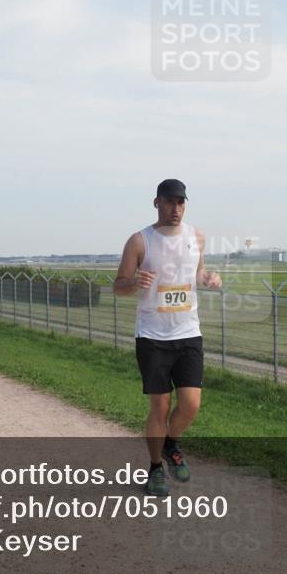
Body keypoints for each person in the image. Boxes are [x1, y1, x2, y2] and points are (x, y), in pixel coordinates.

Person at [113, 179, 221, 496]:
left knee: (190, 405)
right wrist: (134, 284)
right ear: (156, 202)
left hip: (188, 332)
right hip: (152, 337)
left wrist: (209, 277)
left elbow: (197, 274)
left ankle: (170, 445)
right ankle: (156, 470)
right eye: (170, 202)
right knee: (160, 408)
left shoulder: (196, 237)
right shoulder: (139, 241)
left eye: (181, 203)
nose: (176, 209)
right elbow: (118, 285)